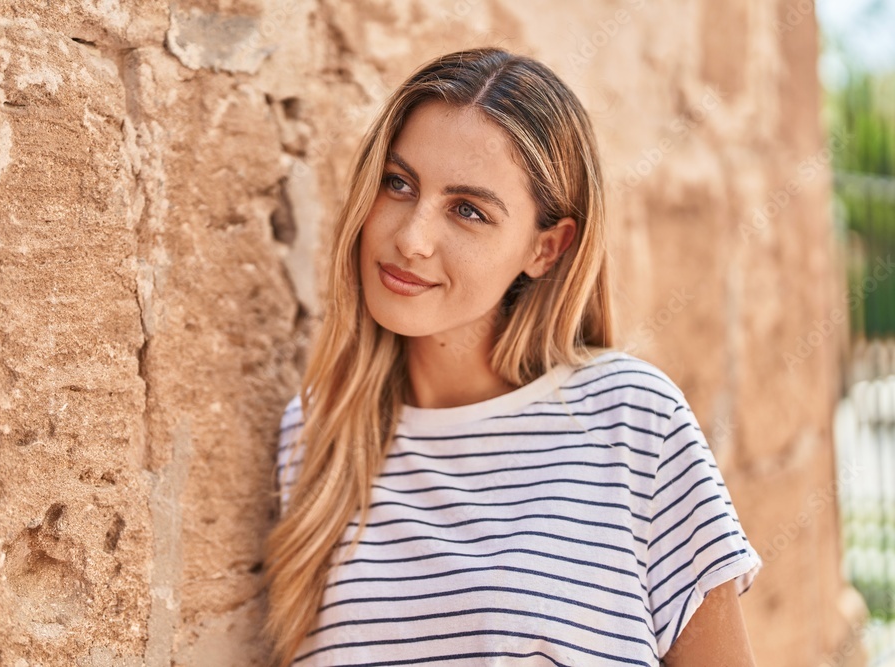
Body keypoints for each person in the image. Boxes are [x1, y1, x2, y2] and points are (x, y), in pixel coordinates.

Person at [261, 47, 762, 667]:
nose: (411, 238)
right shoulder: (313, 436)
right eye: (399, 183)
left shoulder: (632, 419)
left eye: (468, 210)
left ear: (547, 249)